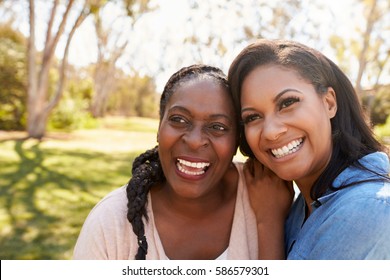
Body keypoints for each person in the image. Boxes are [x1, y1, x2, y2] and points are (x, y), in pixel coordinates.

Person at [73, 64, 292, 260]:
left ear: (237, 140)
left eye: (217, 126)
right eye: (179, 120)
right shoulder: (109, 225)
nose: (195, 141)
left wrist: (269, 222)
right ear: (159, 128)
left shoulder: (268, 195)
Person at [228, 39, 390, 260]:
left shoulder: (366, 210)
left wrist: (269, 222)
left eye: (287, 103)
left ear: (329, 102)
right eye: (253, 117)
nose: (271, 132)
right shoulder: (301, 206)